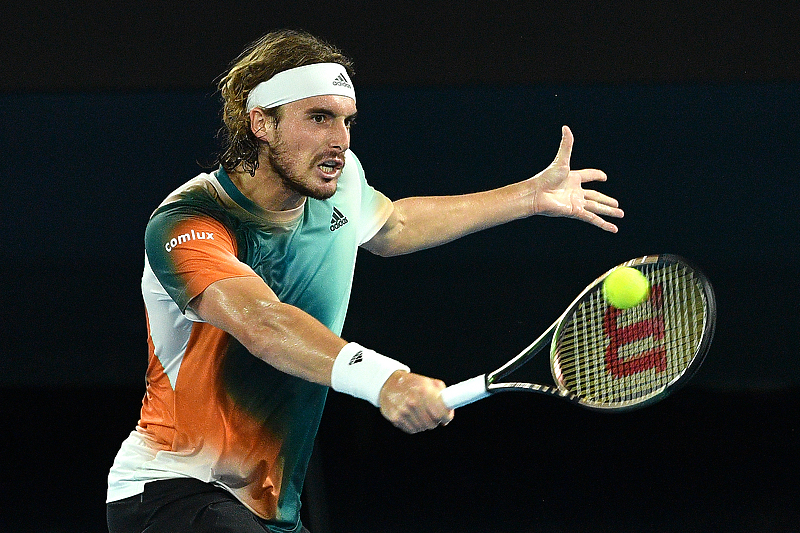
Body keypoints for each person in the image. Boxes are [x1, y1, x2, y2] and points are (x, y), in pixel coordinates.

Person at [106, 29, 623, 533]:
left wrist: (529, 197)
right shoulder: (189, 221)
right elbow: (263, 324)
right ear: (261, 122)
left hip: (269, 509)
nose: (340, 140)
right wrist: (387, 380)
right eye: (318, 118)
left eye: (347, 121)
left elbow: (392, 226)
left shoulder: (341, 180)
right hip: (170, 491)